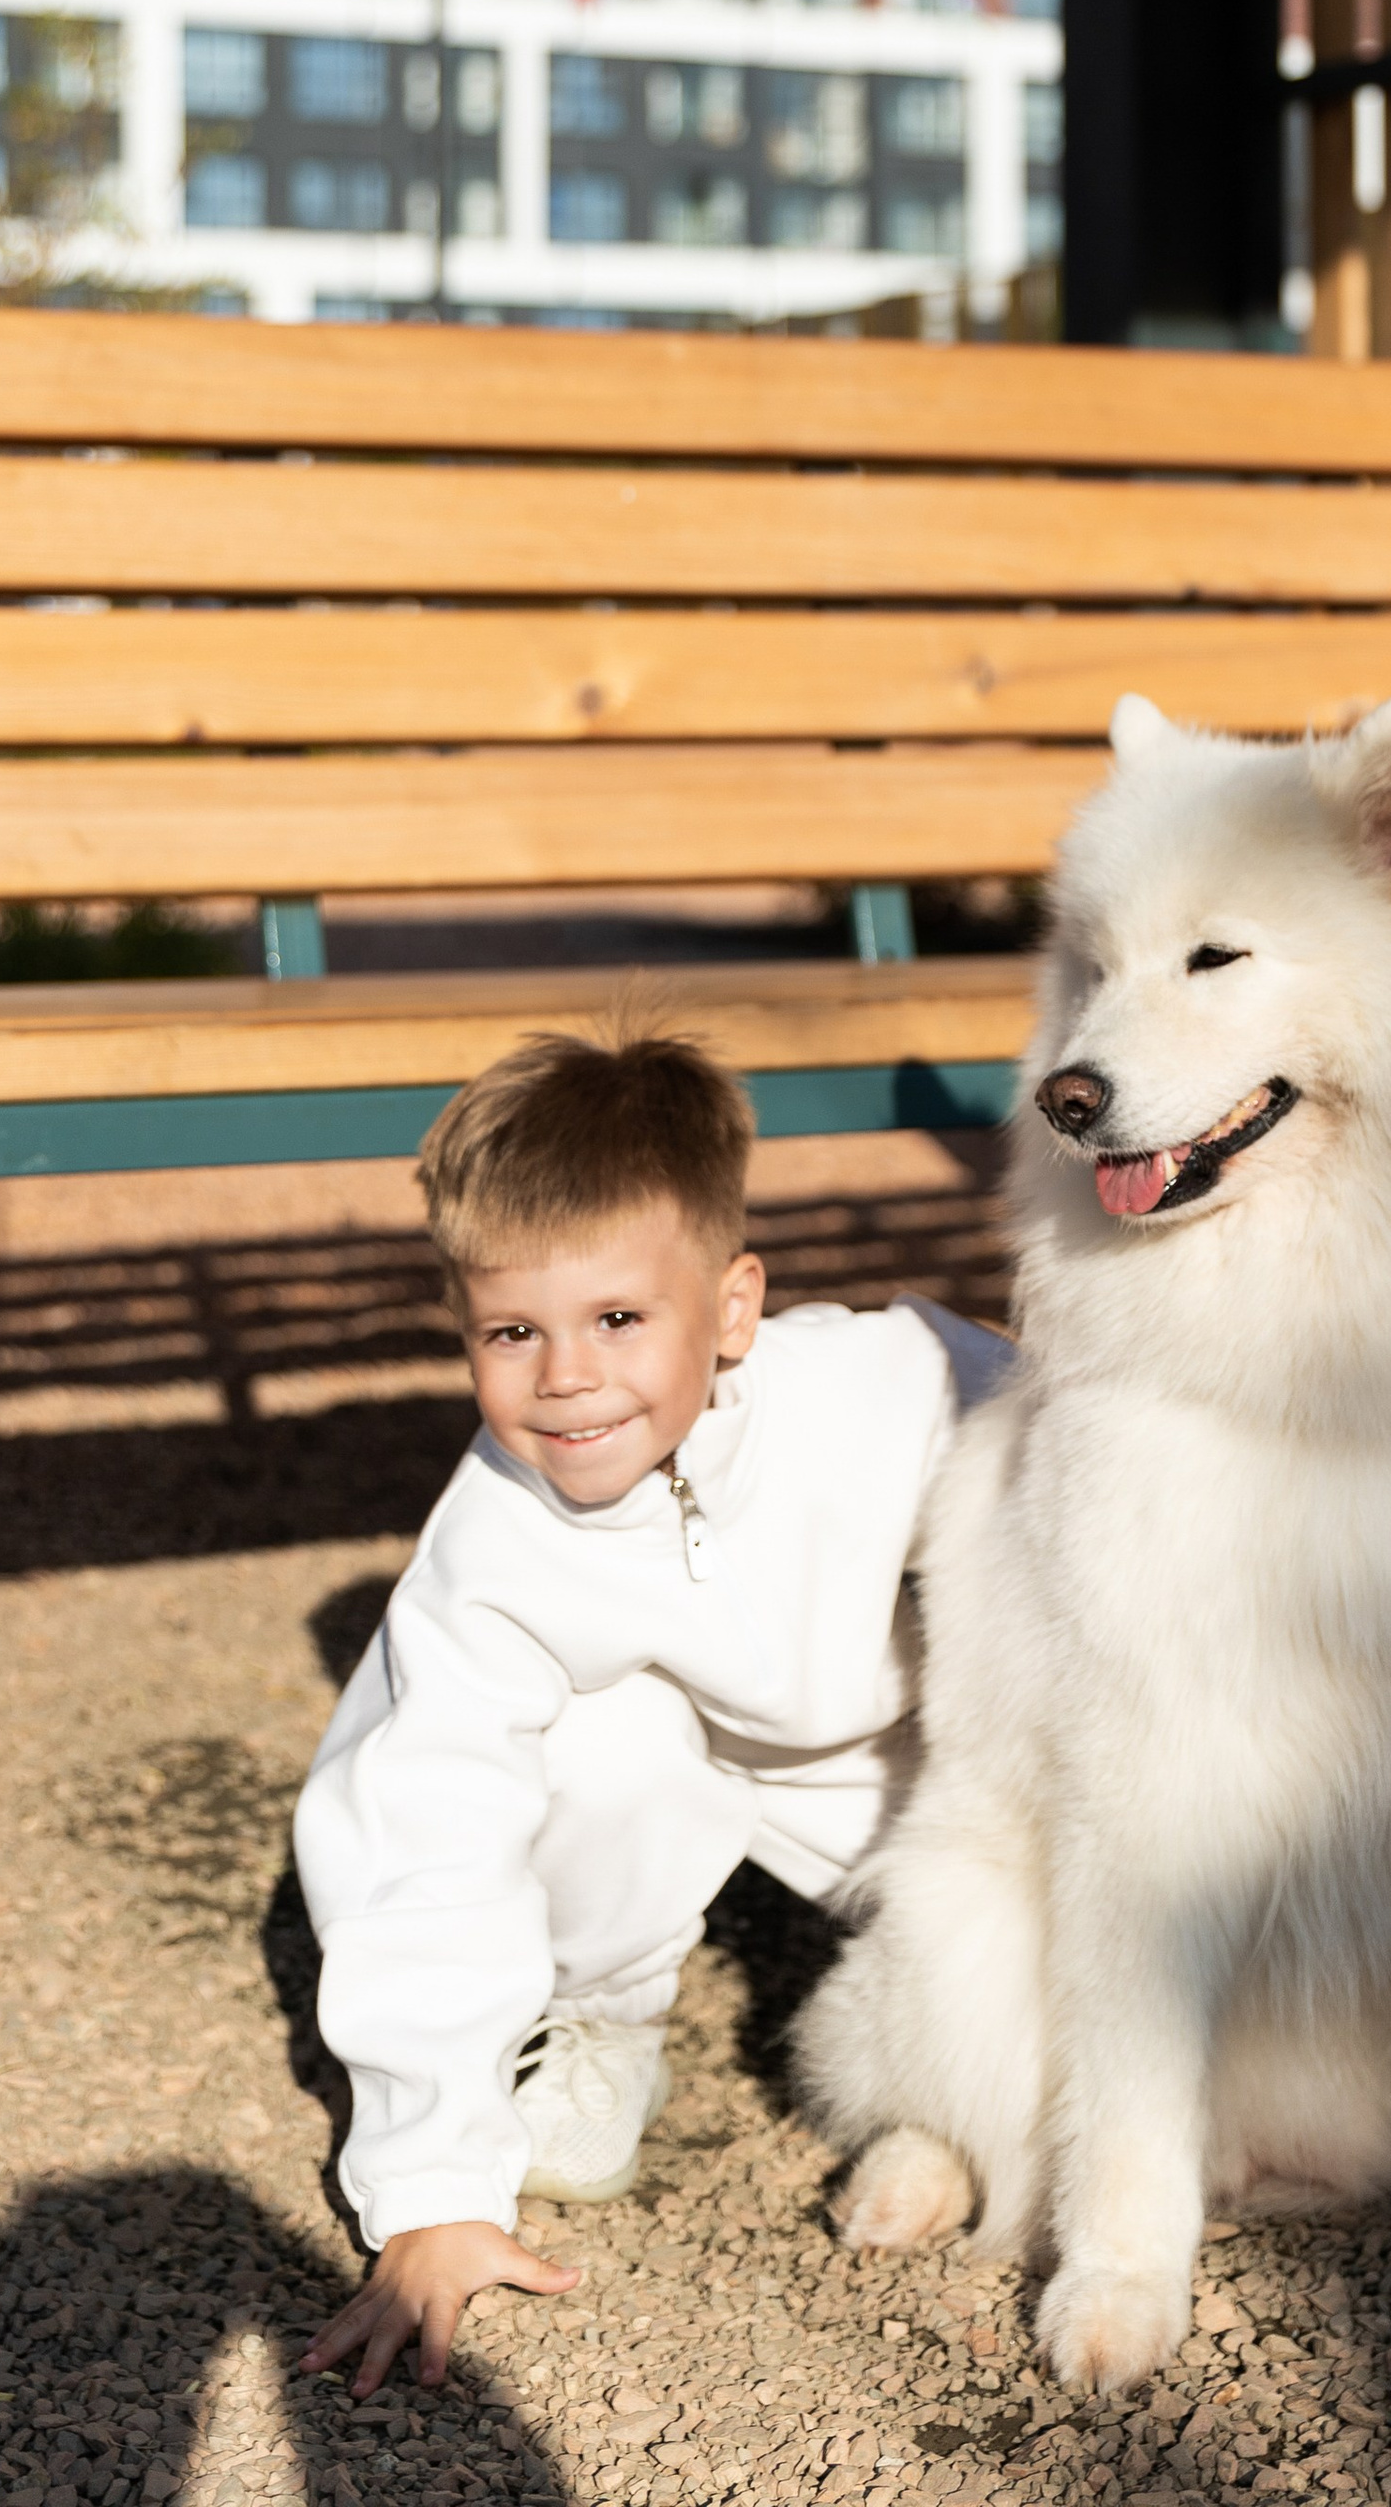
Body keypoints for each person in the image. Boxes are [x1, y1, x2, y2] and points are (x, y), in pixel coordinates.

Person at [294, 1016, 1000, 2397]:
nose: (566, 1377)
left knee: (1041, 1879)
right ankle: (604, 2017)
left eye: (619, 1318)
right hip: (667, 1758)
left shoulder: (869, 1387)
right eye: (513, 1330)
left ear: (732, 1308)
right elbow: (419, 1843)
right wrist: (432, 2188)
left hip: (887, 1757)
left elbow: (1081, 1432)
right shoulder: (492, 1545)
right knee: (589, 1738)